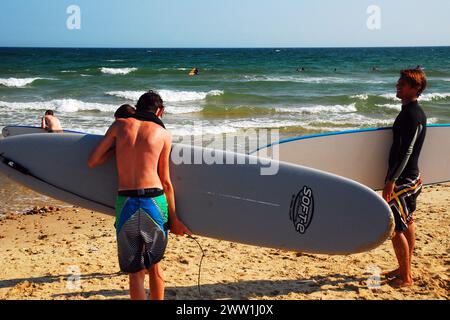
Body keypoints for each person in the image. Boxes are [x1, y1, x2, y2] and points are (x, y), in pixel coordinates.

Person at [87, 90, 192, 300]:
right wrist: (175, 219)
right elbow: (166, 181)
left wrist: (118, 149)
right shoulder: (163, 134)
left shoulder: (119, 126)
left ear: (138, 106)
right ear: (159, 111)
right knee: (155, 266)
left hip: (126, 202)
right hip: (154, 201)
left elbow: (93, 161)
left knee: (135, 272)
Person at [382, 69, 427, 288]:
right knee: (407, 222)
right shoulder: (410, 112)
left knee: (395, 227)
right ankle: (404, 268)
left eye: (402, 84)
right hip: (410, 177)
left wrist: (392, 180)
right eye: (398, 83)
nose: (397, 86)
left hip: (404, 181)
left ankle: (406, 277)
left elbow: (407, 151)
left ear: (415, 88)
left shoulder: (413, 115)